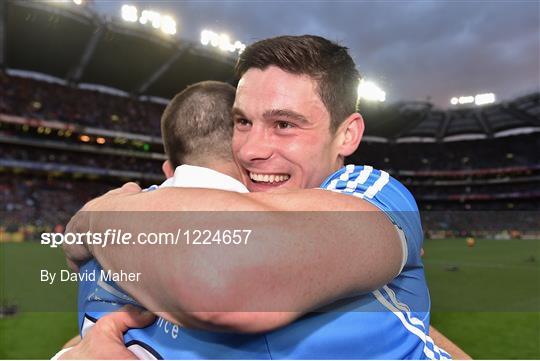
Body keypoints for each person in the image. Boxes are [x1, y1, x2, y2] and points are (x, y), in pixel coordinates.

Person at [63, 35, 452, 359]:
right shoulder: (190, 216)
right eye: (242, 122)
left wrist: (96, 217)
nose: (250, 150)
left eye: (284, 124)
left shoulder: (375, 196)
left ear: (347, 135)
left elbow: (226, 288)